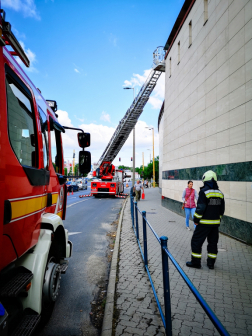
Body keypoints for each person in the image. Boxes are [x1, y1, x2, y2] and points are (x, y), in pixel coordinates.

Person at [186, 170, 225, 270]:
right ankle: (211, 264)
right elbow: (222, 210)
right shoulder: (220, 193)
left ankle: (196, 263)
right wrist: (217, 220)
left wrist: (196, 220)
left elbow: (200, 208)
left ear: (205, 180)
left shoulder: (204, 192)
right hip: (215, 225)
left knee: (196, 241)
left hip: (203, 224)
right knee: (213, 243)